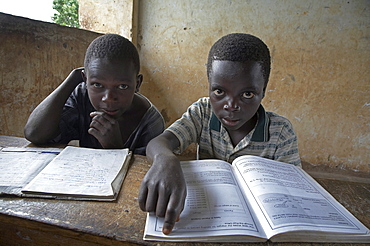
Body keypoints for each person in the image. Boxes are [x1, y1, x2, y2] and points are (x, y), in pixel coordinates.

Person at [138, 33, 301, 234]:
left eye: (247, 94)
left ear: (263, 91)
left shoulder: (281, 133)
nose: (231, 106)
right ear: (209, 85)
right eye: (219, 92)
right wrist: (166, 160)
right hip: (209, 217)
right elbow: (160, 142)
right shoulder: (202, 113)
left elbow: (293, 190)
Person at [24, 34, 165, 155]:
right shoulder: (82, 96)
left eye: (122, 86)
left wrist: (115, 148)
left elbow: (143, 177)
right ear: (85, 79)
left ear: (137, 84)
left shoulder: (150, 123)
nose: (108, 98)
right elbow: (34, 133)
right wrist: (72, 79)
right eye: (98, 85)